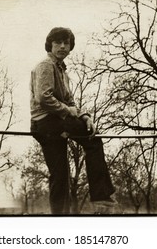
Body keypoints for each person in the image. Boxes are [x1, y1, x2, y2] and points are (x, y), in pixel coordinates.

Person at [30, 27, 115, 214]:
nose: (62, 47)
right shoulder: (46, 65)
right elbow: (43, 98)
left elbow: (70, 101)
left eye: (66, 43)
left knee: (60, 175)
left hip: (52, 123)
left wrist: (84, 116)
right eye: (57, 42)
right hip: (47, 122)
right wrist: (69, 111)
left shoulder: (62, 72)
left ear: (70, 47)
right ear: (50, 45)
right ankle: (101, 195)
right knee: (93, 139)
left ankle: (60, 218)